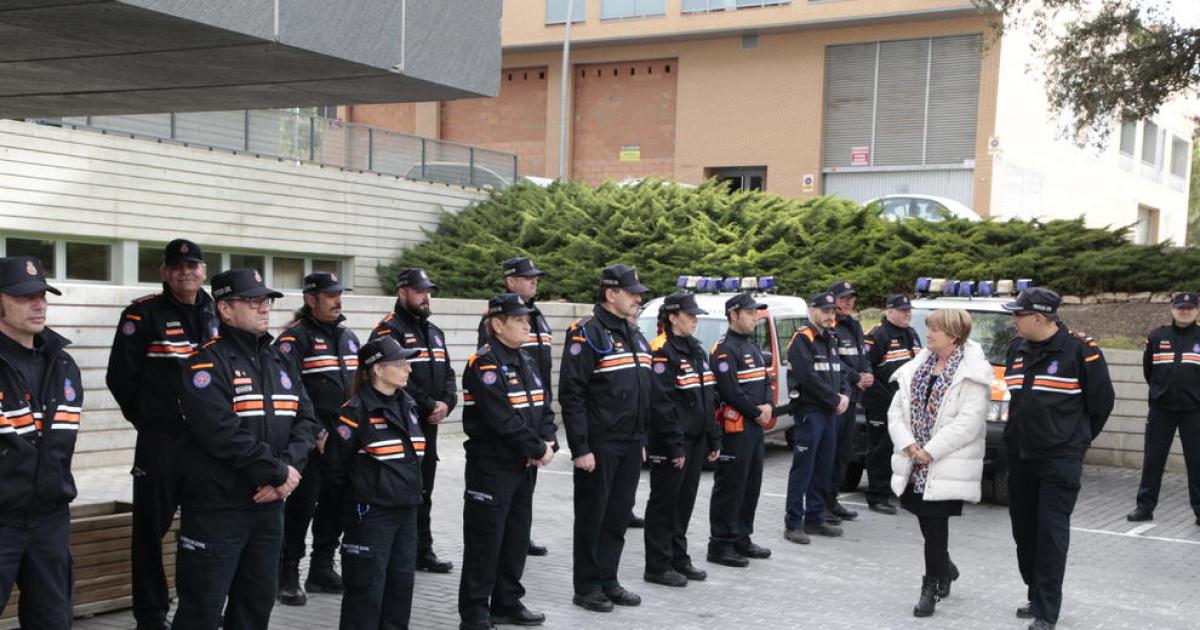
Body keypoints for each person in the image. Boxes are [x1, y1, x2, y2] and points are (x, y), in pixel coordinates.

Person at [172, 268, 317, 630]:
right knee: (201, 611)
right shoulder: (204, 364)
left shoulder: (280, 359)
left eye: (265, 300)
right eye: (252, 301)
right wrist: (279, 472)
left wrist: (286, 475)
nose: (263, 308)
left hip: (269, 508)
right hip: (217, 508)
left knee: (255, 607)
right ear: (224, 309)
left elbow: (306, 421)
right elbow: (222, 433)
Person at [106, 238, 217, 630]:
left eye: (193, 265)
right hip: (162, 443)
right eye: (177, 266)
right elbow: (120, 377)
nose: (186, 271)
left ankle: (198, 608)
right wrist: (151, 423)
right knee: (151, 533)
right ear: (165, 272)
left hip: (209, 445)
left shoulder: (218, 309)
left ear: (204, 270)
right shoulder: (142, 314)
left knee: (205, 530)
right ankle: (151, 617)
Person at [1002, 287, 1114, 630]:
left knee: (1051, 533)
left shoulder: (1081, 351)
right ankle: (1035, 594)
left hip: (1059, 460)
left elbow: (1102, 404)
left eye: (1018, 315)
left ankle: (1047, 612)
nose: (1013, 320)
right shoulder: (1016, 348)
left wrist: (1075, 443)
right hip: (1021, 456)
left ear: (1038, 317)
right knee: (1024, 531)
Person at [459, 293, 558, 629]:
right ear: (497, 324)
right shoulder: (483, 365)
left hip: (523, 466)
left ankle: (507, 601)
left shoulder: (526, 360)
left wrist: (548, 440)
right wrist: (536, 448)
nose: (526, 325)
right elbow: (501, 419)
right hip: (493, 467)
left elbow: (544, 407)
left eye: (527, 319)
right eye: (518, 320)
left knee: (516, 538)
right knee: (485, 542)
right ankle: (474, 612)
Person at [560, 264, 652, 612]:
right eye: (632, 293)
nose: (638, 299)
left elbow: (642, 390)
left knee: (617, 517)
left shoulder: (633, 332)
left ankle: (608, 579)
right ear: (611, 293)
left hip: (630, 442)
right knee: (592, 517)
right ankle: (586, 586)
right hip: (600, 444)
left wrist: (641, 439)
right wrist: (580, 447)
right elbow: (573, 393)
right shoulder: (587, 332)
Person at [887, 308, 990, 617]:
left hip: (943, 463)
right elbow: (896, 410)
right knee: (924, 520)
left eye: (934, 329)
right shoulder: (919, 364)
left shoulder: (972, 371)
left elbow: (968, 423)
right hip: (913, 460)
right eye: (928, 328)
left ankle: (931, 586)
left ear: (954, 336)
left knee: (935, 527)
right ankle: (945, 568)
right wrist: (908, 444)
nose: (927, 333)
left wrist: (930, 451)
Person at [0, 256, 81, 630]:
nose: (38, 304)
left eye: (42, 295)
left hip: (50, 521)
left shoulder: (62, 364)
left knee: (53, 621)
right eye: (24, 296)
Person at [324, 336, 424, 630]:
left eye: (407, 362)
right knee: (366, 593)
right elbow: (335, 468)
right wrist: (359, 499)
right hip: (370, 515)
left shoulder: (408, 404)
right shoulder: (354, 412)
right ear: (378, 370)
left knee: (400, 588)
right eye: (400, 363)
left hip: (405, 511)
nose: (408, 369)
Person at [275, 272, 360, 605]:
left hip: (344, 440)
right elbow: (291, 391)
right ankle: (288, 573)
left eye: (339, 294)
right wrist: (317, 432)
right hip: (309, 441)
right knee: (301, 507)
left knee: (335, 505)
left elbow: (359, 388)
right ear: (311, 299)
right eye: (330, 295)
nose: (338, 300)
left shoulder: (348, 337)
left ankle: (321, 568)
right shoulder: (293, 340)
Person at [370, 268, 457, 573]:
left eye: (428, 291)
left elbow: (447, 372)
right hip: (402, 425)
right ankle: (401, 551)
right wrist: (428, 403)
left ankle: (423, 550)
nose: (426, 296)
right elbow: (394, 378)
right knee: (401, 488)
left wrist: (447, 401)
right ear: (402, 291)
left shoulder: (434, 331)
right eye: (420, 291)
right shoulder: (387, 331)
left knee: (424, 489)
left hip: (429, 426)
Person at [475, 257, 554, 557]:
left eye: (535, 277)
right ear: (510, 281)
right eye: (527, 277)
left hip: (534, 408)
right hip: (512, 416)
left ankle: (523, 532)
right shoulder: (495, 317)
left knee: (526, 489)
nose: (534, 281)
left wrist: (547, 433)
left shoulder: (538, 315)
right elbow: (493, 378)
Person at [644, 292, 721, 587]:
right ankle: (658, 565)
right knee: (665, 503)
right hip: (672, 443)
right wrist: (675, 445)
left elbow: (706, 398)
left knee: (684, 503)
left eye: (696, 315)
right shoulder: (662, 350)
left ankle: (678, 557)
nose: (695, 320)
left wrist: (713, 438)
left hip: (696, 440)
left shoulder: (695, 350)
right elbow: (662, 404)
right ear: (673, 317)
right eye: (690, 316)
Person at [707, 292, 773, 566]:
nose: (755, 317)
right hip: (735, 429)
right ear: (733, 315)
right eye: (750, 313)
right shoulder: (724, 349)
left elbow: (765, 379)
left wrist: (768, 405)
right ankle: (721, 545)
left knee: (750, 485)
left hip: (755, 428)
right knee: (731, 486)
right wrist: (758, 412)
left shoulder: (752, 346)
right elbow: (729, 391)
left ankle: (741, 538)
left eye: (756, 312)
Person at [1127, 291, 1200, 527]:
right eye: (1180, 308)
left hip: (1194, 411)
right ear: (1172, 309)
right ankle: (1144, 507)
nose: (1185, 311)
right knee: (1153, 460)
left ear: (1197, 311)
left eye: (1189, 308)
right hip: (1162, 410)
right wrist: (1161, 393)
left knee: (1197, 462)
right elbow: (1149, 372)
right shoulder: (1157, 337)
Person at [783, 292, 850, 545]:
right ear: (812, 310)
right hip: (811, 413)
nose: (830, 316)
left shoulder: (831, 338)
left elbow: (840, 371)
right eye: (825, 311)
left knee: (823, 467)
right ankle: (793, 524)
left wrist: (845, 394)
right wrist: (835, 400)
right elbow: (808, 378)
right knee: (803, 470)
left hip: (830, 413)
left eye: (833, 312)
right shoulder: (802, 339)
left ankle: (814, 517)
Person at [863, 294, 923, 515]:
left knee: (902, 449)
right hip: (882, 404)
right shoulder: (878, 336)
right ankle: (877, 496)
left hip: (906, 406)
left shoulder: (912, 334)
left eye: (909, 310)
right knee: (881, 449)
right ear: (889, 311)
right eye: (902, 310)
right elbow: (867, 370)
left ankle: (896, 492)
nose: (908, 313)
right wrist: (889, 400)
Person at [826, 280, 872, 523]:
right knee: (829, 454)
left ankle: (832, 500)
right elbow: (831, 363)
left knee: (843, 453)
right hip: (837, 400)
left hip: (853, 399)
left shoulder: (853, 325)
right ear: (832, 299)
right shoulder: (829, 325)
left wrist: (867, 372)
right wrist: (856, 377)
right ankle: (821, 503)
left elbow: (863, 354)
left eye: (851, 297)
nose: (848, 301)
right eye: (843, 297)